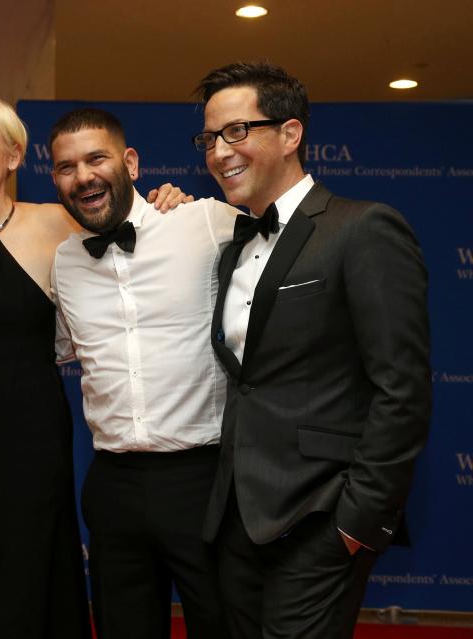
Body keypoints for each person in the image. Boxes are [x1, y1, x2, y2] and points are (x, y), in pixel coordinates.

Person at [0, 93, 187, 638]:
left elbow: (125, 254)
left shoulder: (56, 225)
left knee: (25, 572)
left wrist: (167, 203)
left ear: (14, 156)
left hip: (29, 438)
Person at [195, 62, 431, 638]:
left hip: (321, 519)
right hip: (236, 524)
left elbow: (402, 388)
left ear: (290, 134)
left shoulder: (363, 228)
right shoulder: (231, 248)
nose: (220, 151)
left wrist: (355, 523)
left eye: (237, 131)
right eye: (209, 138)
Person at [49, 108, 237, 639]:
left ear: (130, 162)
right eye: (66, 167)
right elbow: (43, 346)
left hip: (202, 479)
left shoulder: (201, 221)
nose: (82, 175)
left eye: (96, 158)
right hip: (113, 485)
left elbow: (282, 251)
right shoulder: (63, 260)